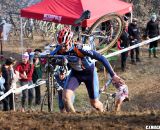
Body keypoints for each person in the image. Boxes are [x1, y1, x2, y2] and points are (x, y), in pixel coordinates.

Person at [50, 26, 124, 112]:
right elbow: (49, 58)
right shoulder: (59, 49)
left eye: (65, 45)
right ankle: (73, 120)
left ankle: (104, 115)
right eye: (61, 45)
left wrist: (113, 75)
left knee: (95, 103)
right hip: (76, 74)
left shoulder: (80, 48)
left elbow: (101, 58)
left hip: (89, 73)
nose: (63, 48)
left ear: (70, 41)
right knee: (66, 97)